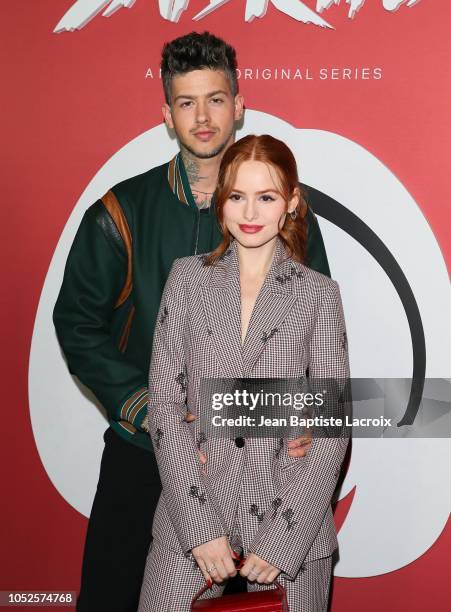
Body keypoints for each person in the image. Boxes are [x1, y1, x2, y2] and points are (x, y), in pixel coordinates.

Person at [53, 33, 329, 612]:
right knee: (113, 597)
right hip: (147, 456)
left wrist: (303, 422)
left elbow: (312, 347)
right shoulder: (121, 210)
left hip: (261, 468)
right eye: (186, 102)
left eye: (216, 99)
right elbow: (76, 322)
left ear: (239, 104)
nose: (203, 117)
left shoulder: (285, 215)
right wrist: (152, 412)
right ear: (166, 114)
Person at [138, 135, 350, 612]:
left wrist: (281, 543)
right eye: (237, 195)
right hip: (191, 515)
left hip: (288, 522)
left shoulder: (318, 295)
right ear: (221, 200)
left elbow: (331, 429)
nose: (249, 212)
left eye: (267, 196)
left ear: (291, 202)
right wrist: (200, 529)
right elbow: (166, 402)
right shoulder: (187, 279)